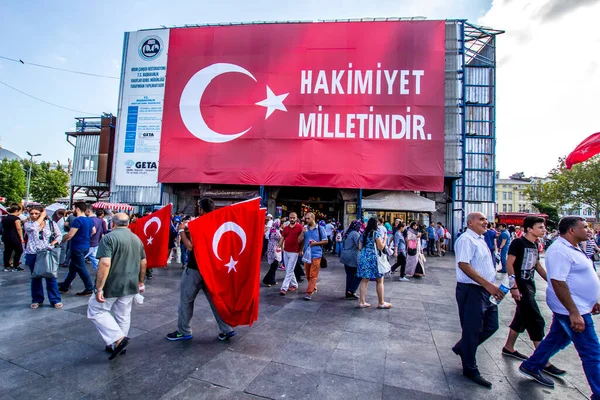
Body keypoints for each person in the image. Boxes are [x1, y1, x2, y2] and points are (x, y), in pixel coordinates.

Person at [520, 217, 600, 395]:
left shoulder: (574, 248)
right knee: (592, 352)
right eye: (585, 227)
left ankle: (532, 365)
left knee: (558, 339)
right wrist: (574, 312)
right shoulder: (559, 250)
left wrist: (591, 300)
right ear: (572, 230)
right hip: (572, 308)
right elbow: (557, 281)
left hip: (579, 306)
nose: (589, 230)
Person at [501, 216, 565, 377]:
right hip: (521, 285)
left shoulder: (535, 244)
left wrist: (552, 282)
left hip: (530, 284)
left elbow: (537, 266)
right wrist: (513, 285)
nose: (544, 230)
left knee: (521, 318)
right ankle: (543, 360)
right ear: (529, 229)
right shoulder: (518, 243)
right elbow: (509, 264)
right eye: (540, 227)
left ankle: (509, 347)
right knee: (535, 319)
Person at [167, 198, 237, 341]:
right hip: (211, 269)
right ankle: (227, 328)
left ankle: (184, 331)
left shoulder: (198, 224)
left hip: (195, 268)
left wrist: (181, 231)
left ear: (201, 209)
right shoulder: (218, 223)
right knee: (215, 301)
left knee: (186, 301)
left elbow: (191, 246)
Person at [452, 212, 505, 388]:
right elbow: (463, 264)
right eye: (481, 219)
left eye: (485, 219)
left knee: (491, 325)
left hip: (485, 290)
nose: (485, 222)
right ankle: (470, 367)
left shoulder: (480, 239)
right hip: (472, 290)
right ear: (470, 223)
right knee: (472, 329)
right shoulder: (466, 239)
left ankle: (464, 347)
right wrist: (487, 285)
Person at [87, 213, 146, 360]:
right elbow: (143, 262)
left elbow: (105, 263)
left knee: (96, 311)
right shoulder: (136, 239)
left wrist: (99, 287)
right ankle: (119, 344)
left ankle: (118, 338)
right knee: (123, 314)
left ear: (112, 224)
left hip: (112, 282)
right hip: (131, 282)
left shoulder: (109, 238)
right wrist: (141, 281)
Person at [23, 206, 63, 309]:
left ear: (41, 213)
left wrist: (53, 243)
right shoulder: (28, 224)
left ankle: (55, 299)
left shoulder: (51, 224)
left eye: (36, 213)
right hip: (33, 252)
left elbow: (59, 235)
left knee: (51, 276)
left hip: (47, 252)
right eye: (31, 213)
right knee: (35, 276)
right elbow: (33, 228)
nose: (34, 215)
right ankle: (37, 299)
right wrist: (42, 216)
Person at [59, 202, 96, 296]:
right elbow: (93, 231)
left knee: (81, 268)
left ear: (78, 209)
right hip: (85, 246)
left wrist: (62, 240)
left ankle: (89, 287)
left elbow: (71, 234)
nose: (73, 210)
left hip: (77, 247)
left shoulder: (77, 220)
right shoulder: (89, 220)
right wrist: (85, 236)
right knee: (73, 267)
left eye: (74, 208)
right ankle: (65, 286)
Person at [356, 217, 392, 309]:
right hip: (374, 258)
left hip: (364, 257)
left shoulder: (363, 234)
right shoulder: (375, 233)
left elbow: (360, 247)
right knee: (379, 280)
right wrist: (385, 239)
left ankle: (362, 302)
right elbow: (380, 247)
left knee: (364, 280)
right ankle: (381, 302)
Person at [301, 213, 328, 301]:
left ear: (313, 218)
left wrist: (315, 243)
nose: (306, 220)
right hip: (306, 254)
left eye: (308, 218)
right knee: (308, 274)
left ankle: (309, 292)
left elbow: (325, 241)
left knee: (313, 274)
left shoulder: (320, 229)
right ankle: (313, 287)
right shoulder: (305, 229)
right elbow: (299, 240)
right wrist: (302, 232)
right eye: (306, 219)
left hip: (316, 254)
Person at [279, 212, 303, 296]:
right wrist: (278, 247)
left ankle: (284, 288)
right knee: (288, 269)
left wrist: (301, 250)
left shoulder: (300, 227)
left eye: (293, 218)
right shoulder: (286, 228)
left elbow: (302, 240)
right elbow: (283, 237)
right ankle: (295, 284)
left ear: (296, 218)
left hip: (294, 252)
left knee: (289, 270)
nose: (292, 219)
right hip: (286, 251)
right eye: (290, 217)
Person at [340, 220, 362, 299]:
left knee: (349, 275)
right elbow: (359, 245)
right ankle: (352, 290)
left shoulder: (348, 232)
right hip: (353, 257)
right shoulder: (355, 234)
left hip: (345, 256)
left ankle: (348, 293)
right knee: (359, 274)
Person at [2, 204, 25, 271]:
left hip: (6, 236)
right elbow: (19, 229)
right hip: (14, 237)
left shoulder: (6, 218)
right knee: (19, 250)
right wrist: (21, 237)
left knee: (7, 251)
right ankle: (15, 265)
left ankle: (7, 266)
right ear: (16, 210)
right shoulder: (16, 219)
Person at [262, 219, 282, 287]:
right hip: (274, 249)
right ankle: (266, 280)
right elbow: (281, 238)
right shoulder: (276, 231)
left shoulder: (271, 230)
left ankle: (272, 280)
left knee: (273, 265)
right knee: (274, 266)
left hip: (270, 248)